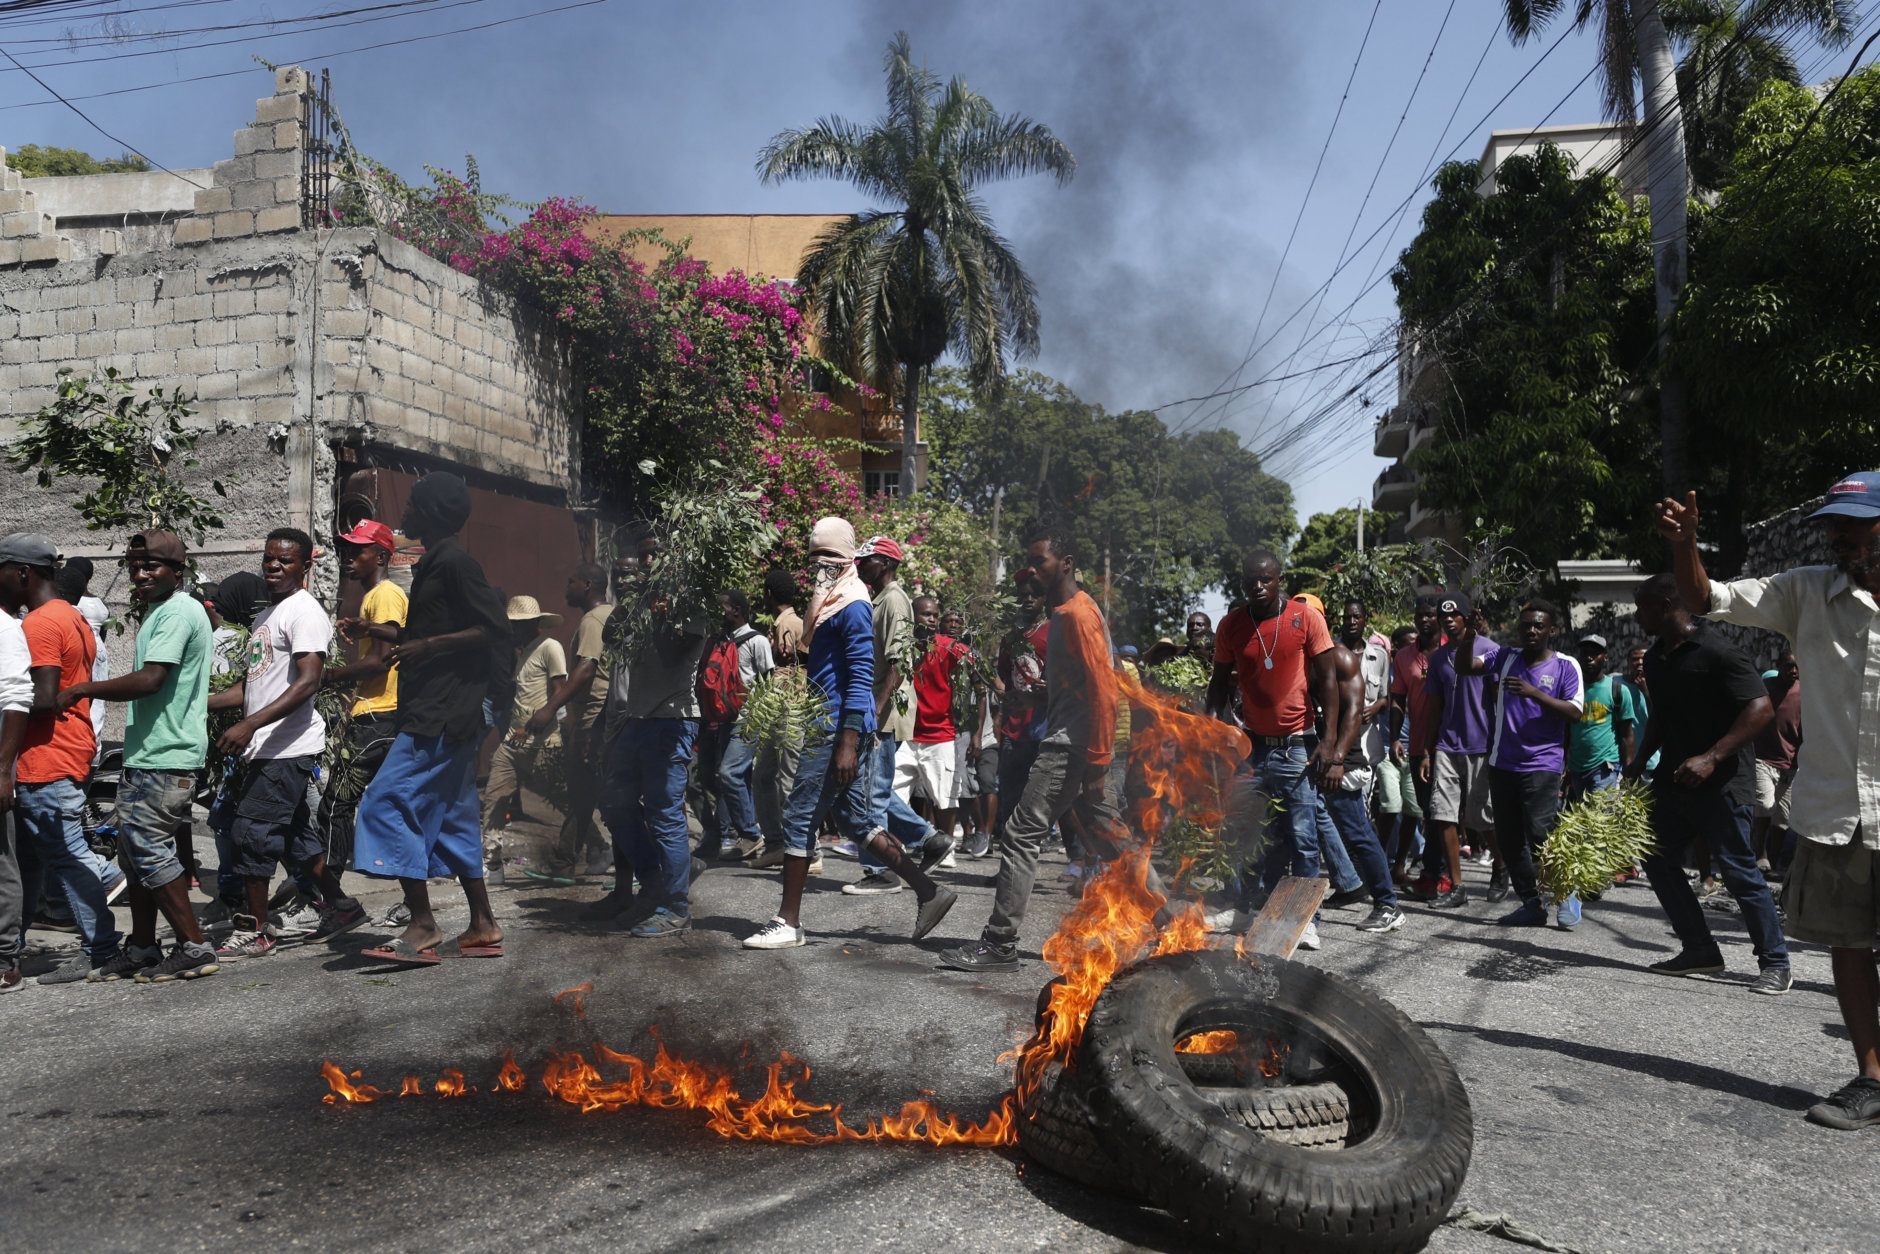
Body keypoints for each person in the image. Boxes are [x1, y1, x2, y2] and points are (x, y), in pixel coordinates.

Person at [1663, 478, 1880, 1130]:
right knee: (1849, 945)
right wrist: (1686, 545)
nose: (1839, 536)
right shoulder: (1807, 591)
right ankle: (1872, 1079)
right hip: (1838, 810)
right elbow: (1709, 598)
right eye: (1833, 525)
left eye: (1855, 524)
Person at [744, 518, 957, 950]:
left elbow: (861, 674)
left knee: (799, 815)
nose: (818, 566)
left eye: (827, 558)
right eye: (814, 559)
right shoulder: (831, 601)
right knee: (856, 821)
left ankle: (788, 922)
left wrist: (847, 741)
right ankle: (930, 891)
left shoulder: (854, 603)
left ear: (844, 559)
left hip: (836, 727)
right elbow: (833, 666)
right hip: (831, 723)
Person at [940, 529, 1124, 972]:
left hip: (1069, 747)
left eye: (1040, 562)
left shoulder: (1077, 615)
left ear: (1066, 563)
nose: (1032, 570)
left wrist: (1099, 763)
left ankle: (1000, 942)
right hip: (1073, 742)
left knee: (1021, 833)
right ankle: (1167, 922)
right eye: (1030, 562)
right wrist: (1036, 696)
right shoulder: (1061, 614)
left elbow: (1105, 691)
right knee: (1115, 840)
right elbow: (1077, 686)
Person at [350, 473, 511, 965]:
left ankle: (422, 924)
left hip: (440, 713)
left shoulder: (456, 563)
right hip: (441, 711)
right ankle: (483, 923)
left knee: (385, 801)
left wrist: (429, 645)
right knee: (454, 819)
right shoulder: (434, 563)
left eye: (414, 506)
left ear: (433, 514)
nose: (405, 515)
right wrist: (386, 634)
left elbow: (494, 629)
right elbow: (430, 632)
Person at [57, 530, 220, 983]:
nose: (140, 574)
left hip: (166, 756)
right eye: (134, 566)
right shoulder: (161, 611)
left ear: (177, 571)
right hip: (148, 754)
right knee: (133, 856)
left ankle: (194, 947)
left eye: (151, 566)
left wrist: (83, 688)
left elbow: (151, 680)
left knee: (149, 851)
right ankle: (144, 947)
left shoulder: (177, 612)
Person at [1622, 573, 1791, 995]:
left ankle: (1775, 962)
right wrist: (1638, 762)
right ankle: (1699, 948)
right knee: (1657, 858)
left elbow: (1760, 709)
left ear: (1666, 606)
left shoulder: (1719, 651)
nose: (1637, 616)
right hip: (1674, 781)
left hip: (1724, 782)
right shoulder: (1657, 658)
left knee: (1737, 870)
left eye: (1643, 608)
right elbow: (1662, 715)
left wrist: (1712, 757)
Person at [206, 529, 363, 958]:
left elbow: (309, 681)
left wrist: (250, 725)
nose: (274, 566)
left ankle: (258, 931)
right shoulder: (266, 616)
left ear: (305, 566)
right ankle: (343, 908)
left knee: (251, 835)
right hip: (268, 746)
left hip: (287, 747)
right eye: (269, 558)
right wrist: (199, 703)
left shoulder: (304, 612)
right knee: (296, 839)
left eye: (286, 560)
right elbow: (253, 685)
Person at [0, 535, 121, 984]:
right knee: (32, 859)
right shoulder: (71, 615)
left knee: (66, 856)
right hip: (67, 748)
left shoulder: (39, 624)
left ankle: (101, 948)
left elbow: (44, 696)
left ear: (23, 573)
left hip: (46, 756)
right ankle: (11, 948)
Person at [590, 526, 708, 938]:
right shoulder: (639, 601)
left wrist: (660, 612)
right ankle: (654, 883)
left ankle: (675, 906)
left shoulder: (690, 601)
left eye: (653, 554)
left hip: (671, 720)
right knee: (615, 804)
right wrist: (633, 602)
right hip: (637, 719)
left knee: (664, 814)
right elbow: (611, 638)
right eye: (642, 555)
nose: (646, 562)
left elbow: (675, 653)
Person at [1456, 601, 1584, 929]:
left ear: (1551, 630)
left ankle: (1566, 890)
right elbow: (1465, 667)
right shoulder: (1505, 657)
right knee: (1510, 839)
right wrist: (1469, 636)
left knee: (1541, 834)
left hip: (1543, 763)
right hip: (1503, 763)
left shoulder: (1566, 665)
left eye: (1539, 625)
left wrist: (1533, 693)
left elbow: (1575, 712)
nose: (1531, 631)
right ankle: (1531, 903)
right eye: (1526, 625)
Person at [840, 535, 942, 895]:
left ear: (884, 563)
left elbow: (899, 661)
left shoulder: (895, 600)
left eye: (866, 559)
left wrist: (876, 708)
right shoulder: (880, 599)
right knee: (872, 786)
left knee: (872, 790)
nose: (860, 565)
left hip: (884, 711)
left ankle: (880, 872)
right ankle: (928, 838)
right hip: (878, 708)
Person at [319, 520, 406, 885]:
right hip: (375, 714)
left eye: (358, 551)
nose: (348, 557)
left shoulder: (385, 594)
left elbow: (380, 661)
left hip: (377, 716)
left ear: (381, 557)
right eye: (347, 550)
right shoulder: (373, 597)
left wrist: (327, 677)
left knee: (335, 805)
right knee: (380, 805)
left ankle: (328, 892)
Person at [521, 562, 614, 882]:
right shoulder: (610, 615)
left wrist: (550, 709)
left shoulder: (593, 620)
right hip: (603, 717)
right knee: (584, 792)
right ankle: (568, 859)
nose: (566, 588)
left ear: (587, 585)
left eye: (571, 582)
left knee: (590, 791)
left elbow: (586, 668)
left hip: (595, 718)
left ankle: (650, 860)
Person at [1316, 610, 1405, 935]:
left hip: (1344, 762)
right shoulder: (1307, 660)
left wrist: (1339, 761)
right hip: (1323, 759)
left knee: (1358, 833)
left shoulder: (1337, 658)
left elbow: (1353, 714)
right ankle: (1349, 884)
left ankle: (1387, 905)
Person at [479, 595, 566, 884]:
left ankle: (597, 847)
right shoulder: (521, 652)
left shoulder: (550, 647)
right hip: (513, 741)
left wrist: (545, 716)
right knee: (495, 797)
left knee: (562, 801)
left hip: (544, 742)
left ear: (534, 623)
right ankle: (492, 864)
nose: (514, 629)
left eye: (519, 624)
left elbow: (561, 689)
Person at [1420, 593, 1494, 908]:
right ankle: (1457, 886)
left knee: (1482, 818)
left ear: (1466, 617)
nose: (1448, 620)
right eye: (1444, 616)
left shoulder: (1490, 650)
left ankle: (1501, 869)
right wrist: (1428, 751)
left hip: (1481, 746)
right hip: (1447, 746)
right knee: (1443, 814)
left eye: (1454, 615)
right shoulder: (1438, 659)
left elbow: (1501, 700)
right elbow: (1434, 708)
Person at [902, 595, 978, 861]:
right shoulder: (902, 648)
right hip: (906, 736)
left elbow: (980, 670)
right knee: (890, 795)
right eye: (926, 615)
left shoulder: (949, 647)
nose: (932, 620)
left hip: (939, 736)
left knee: (944, 799)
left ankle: (946, 850)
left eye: (935, 615)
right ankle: (900, 845)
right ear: (913, 617)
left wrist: (1003, 689)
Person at [700, 588, 774, 863]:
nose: (718, 611)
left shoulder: (757, 641)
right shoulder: (719, 640)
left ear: (738, 610)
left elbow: (768, 681)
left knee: (729, 773)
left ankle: (751, 834)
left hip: (748, 720)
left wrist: (762, 719)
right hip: (724, 720)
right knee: (735, 778)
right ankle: (749, 838)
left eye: (723, 606)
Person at [746, 568, 804, 862]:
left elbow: (800, 669)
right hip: (777, 710)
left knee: (788, 780)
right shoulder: (783, 624)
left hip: (790, 710)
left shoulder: (792, 624)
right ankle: (775, 844)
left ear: (769, 594)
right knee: (762, 776)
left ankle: (806, 849)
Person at [1389, 598, 1442, 885]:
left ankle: (1435, 874)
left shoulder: (1452, 649)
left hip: (1449, 744)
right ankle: (1435, 873)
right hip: (1417, 744)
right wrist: (1395, 737)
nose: (1424, 620)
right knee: (1427, 809)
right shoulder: (1403, 656)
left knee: (1443, 810)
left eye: (1430, 615)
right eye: (1420, 615)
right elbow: (1397, 698)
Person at [52, 556, 110, 757]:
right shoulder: (95, 600)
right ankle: (93, 742)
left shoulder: (71, 598)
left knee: (84, 690)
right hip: (96, 647)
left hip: (84, 643)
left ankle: (89, 741)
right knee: (91, 694)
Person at [1751, 650, 1802, 875]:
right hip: (1763, 759)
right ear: (1778, 665)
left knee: (1782, 817)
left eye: (1797, 666)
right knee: (1764, 806)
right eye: (1789, 666)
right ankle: (1759, 854)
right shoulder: (1765, 687)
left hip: (1791, 763)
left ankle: (1772, 860)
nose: (1793, 671)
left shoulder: (1805, 692)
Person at [1568, 634, 1636, 801]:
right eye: (1585, 653)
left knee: (1601, 815)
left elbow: (1627, 735)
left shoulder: (1617, 690)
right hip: (1576, 768)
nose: (1589, 657)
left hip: (1605, 768)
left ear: (1605, 657)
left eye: (1595, 653)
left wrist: (1629, 772)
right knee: (1582, 816)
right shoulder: (1570, 690)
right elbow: (1565, 730)